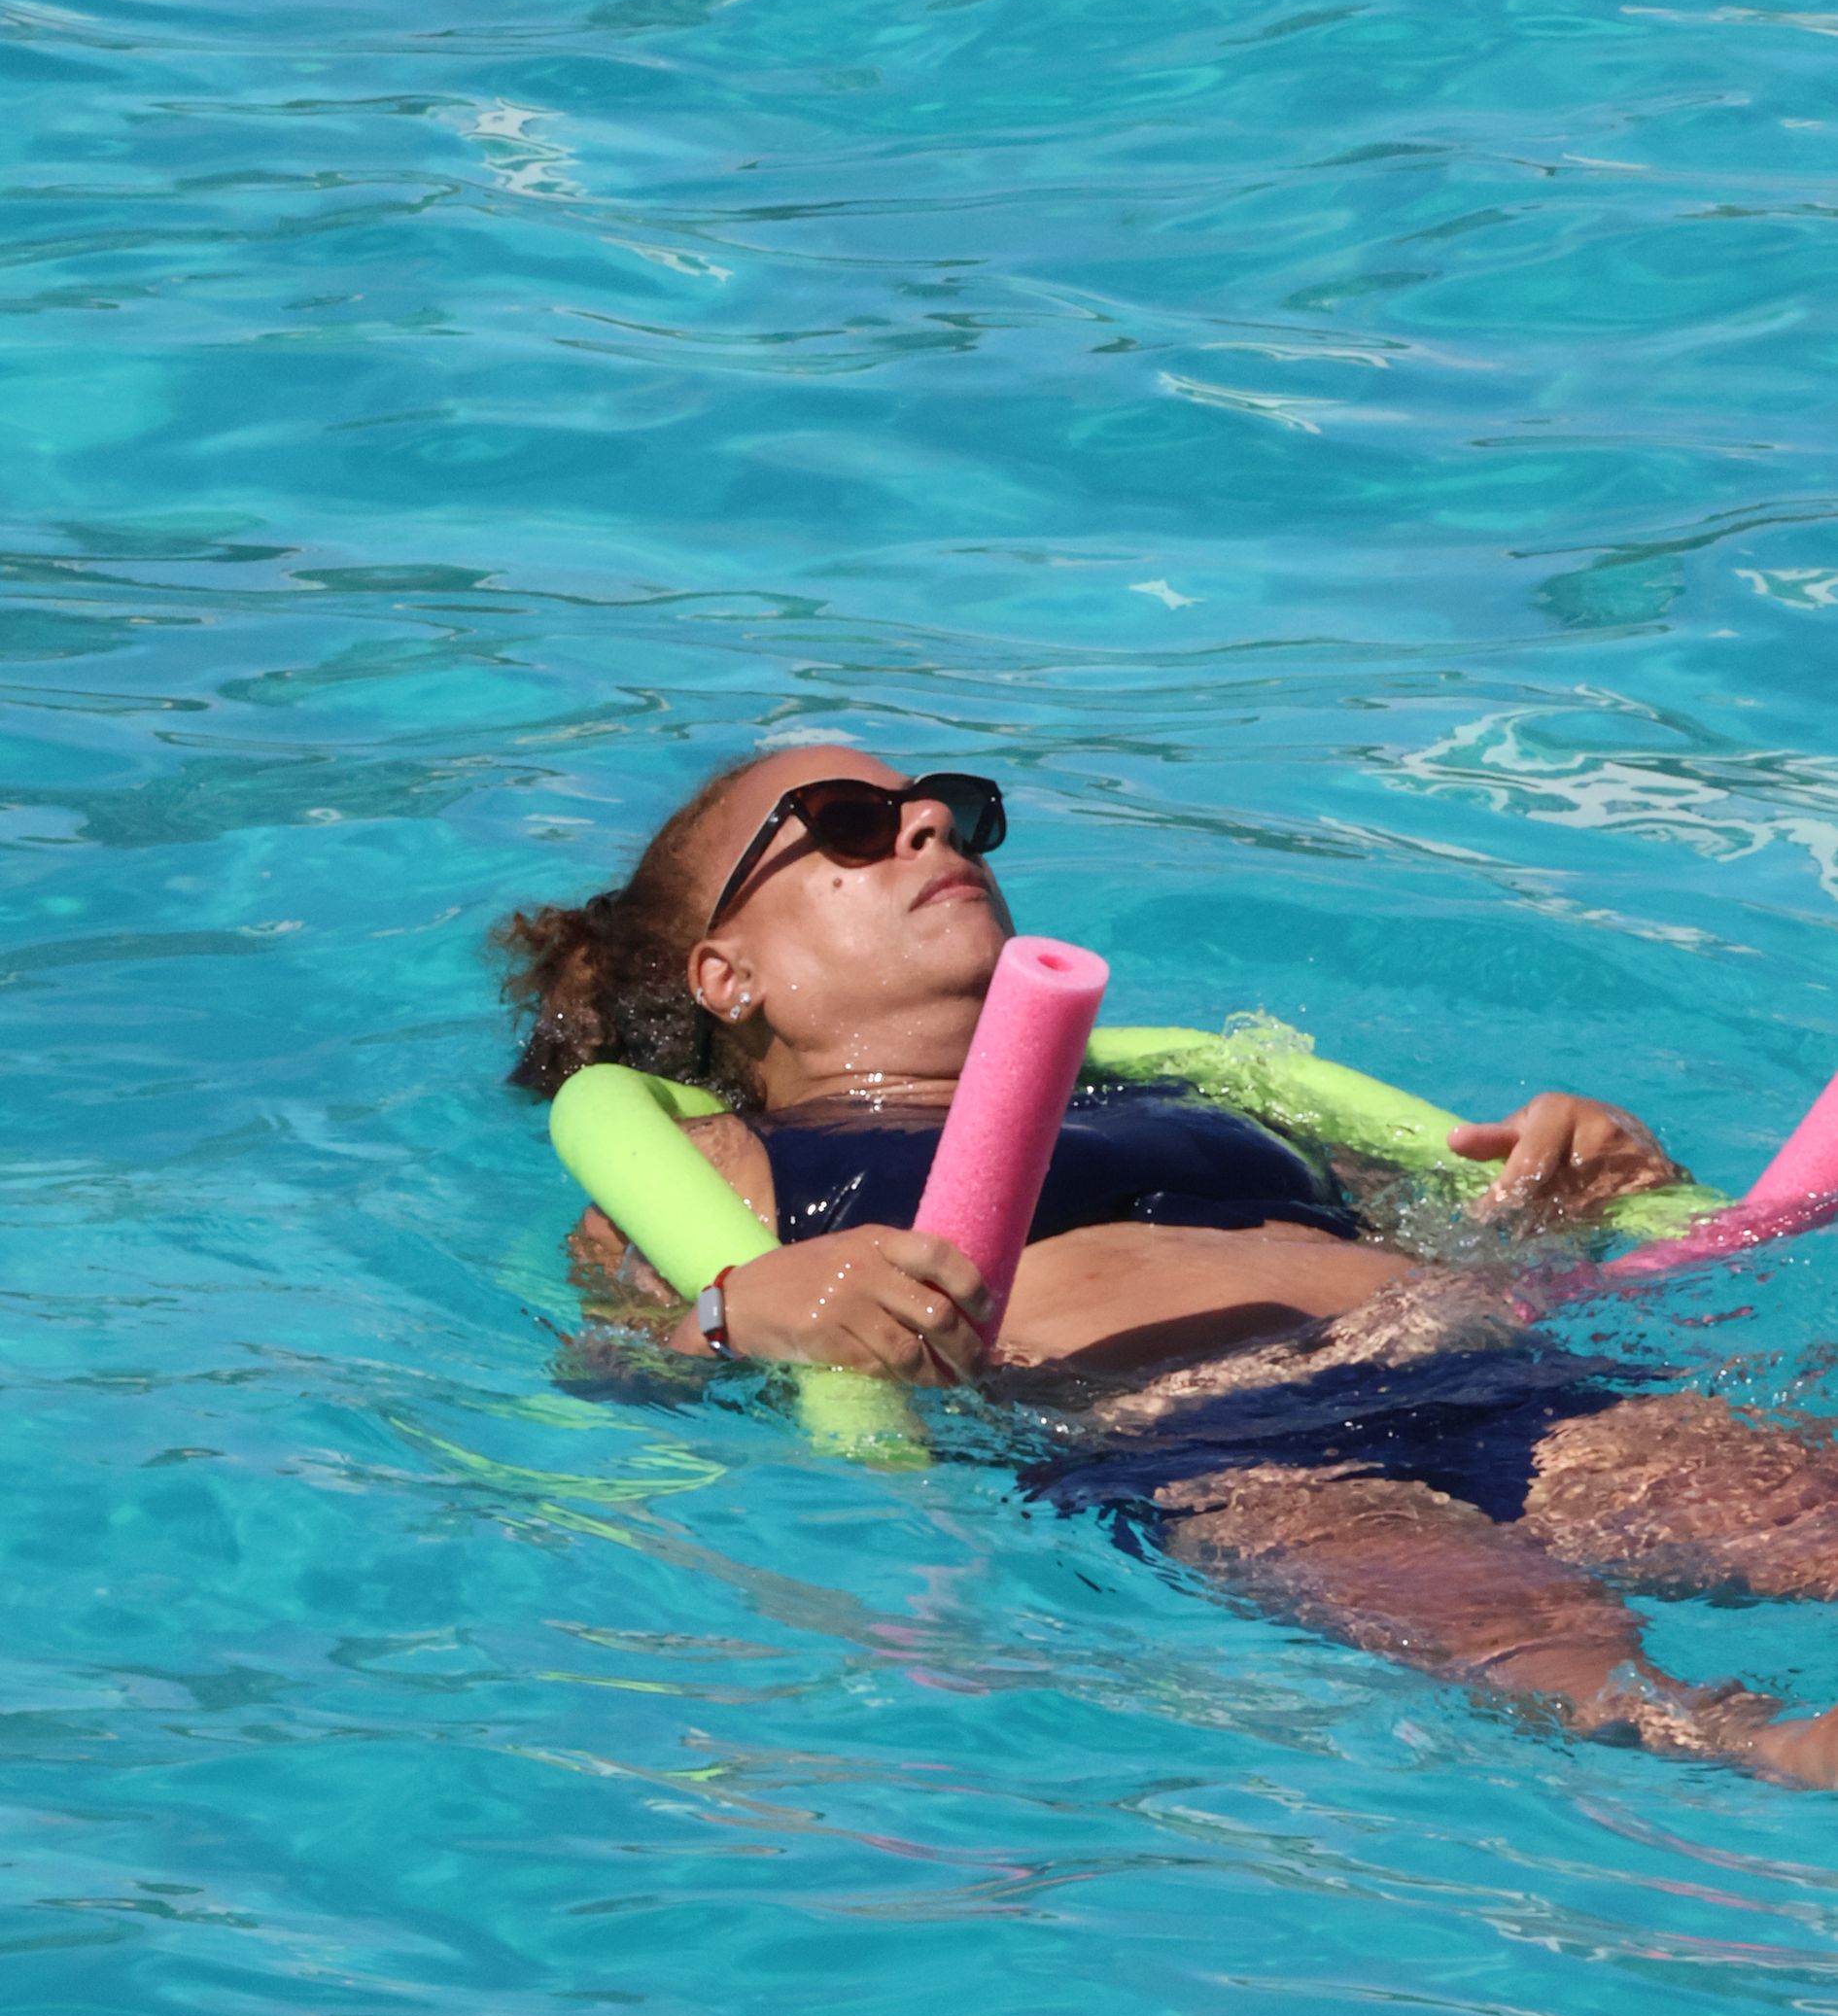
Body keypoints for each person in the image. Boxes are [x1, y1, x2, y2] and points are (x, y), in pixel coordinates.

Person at [499, 746, 1838, 1787]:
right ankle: (1771, 1754)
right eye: (849, 823)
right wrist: (742, 1316)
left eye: (947, 808)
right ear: (729, 976)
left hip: (1503, 1382)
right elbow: (605, 1377)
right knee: (1540, 1645)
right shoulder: (731, 1162)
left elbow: (1444, 1239)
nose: (928, 828)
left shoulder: (1211, 1092)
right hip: (1211, 1446)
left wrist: (1565, 1199)